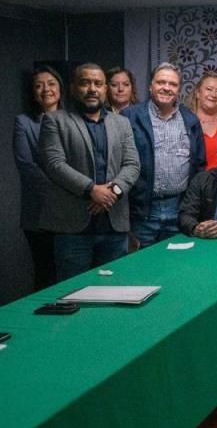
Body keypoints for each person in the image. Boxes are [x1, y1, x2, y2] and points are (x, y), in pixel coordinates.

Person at [38, 63, 140, 280]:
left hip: (114, 227)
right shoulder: (55, 120)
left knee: (115, 289)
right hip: (73, 229)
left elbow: (132, 164)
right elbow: (55, 164)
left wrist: (112, 192)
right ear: (73, 88)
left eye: (98, 84)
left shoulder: (122, 123)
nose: (92, 89)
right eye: (85, 83)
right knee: (73, 292)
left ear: (105, 89)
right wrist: (91, 190)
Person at [122, 62, 205, 248]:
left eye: (173, 84)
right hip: (142, 212)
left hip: (179, 211)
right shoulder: (129, 117)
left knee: (175, 263)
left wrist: (192, 207)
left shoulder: (191, 120)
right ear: (150, 86)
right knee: (142, 264)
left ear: (179, 89)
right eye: (161, 82)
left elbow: (199, 165)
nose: (166, 88)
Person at [14, 65, 63, 289]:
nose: (46, 89)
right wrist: (64, 189)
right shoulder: (24, 122)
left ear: (61, 88)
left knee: (71, 273)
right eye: (38, 86)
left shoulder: (73, 120)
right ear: (33, 93)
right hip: (39, 213)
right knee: (45, 273)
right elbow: (27, 166)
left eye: (51, 84)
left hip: (72, 213)